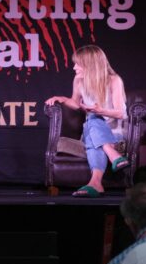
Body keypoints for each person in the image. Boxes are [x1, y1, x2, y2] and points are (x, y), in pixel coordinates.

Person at [45, 45, 128, 197]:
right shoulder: (78, 80)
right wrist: (61, 99)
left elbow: (121, 113)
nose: (74, 67)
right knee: (92, 120)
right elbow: (76, 103)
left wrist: (100, 111)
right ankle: (113, 155)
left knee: (93, 121)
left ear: (90, 64)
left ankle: (95, 183)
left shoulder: (114, 80)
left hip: (114, 134)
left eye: (78, 64)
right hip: (94, 130)